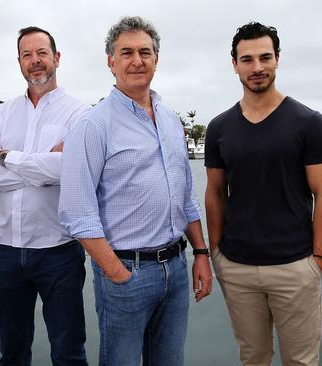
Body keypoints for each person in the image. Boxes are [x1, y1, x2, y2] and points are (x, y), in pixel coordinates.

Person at [59, 16, 213, 365]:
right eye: (126, 52)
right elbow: (76, 213)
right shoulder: (92, 125)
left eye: (145, 51)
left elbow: (184, 197)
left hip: (175, 268)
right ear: (111, 61)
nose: (137, 60)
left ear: (157, 59)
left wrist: (201, 254)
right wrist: (117, 273)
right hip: (127, 273)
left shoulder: (172, 121)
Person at [204, 22, 322, 366]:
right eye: (247, 59)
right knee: (253, 358)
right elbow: (215, 193)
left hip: (295, 266)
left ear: (277, 59)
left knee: (301, 361)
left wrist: (318, 262)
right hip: (237, 267)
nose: (257, 67)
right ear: (234, 64)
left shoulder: (309, 123)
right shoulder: (220, 128)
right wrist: (218, 254)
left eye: (265, 57)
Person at [0, 26, 90, 366]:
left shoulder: (79, 114)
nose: (35, 61)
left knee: (68, 352)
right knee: (12, 353)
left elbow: (70, 170)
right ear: (20, 62)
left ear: (57, 58)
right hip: (6, 253)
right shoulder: (1, 114)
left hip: (59, 252)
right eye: (27, 55)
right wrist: (43, 168)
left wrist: (9, 157)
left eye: (41, 53)